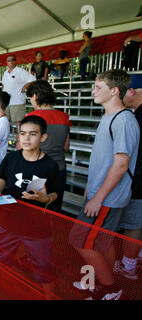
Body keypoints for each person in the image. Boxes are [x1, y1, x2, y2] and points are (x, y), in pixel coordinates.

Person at [69, 69, 140, 300]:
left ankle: (110, 289)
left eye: (98, 87)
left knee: (79, 240)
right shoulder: (108, 116)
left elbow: (121, 164)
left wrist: (99, 197)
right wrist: (92, 189)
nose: (93, 91)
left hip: (107, 198)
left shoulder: (124, 120)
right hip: (100, 194)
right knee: (100, 242)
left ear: (114, 91)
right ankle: (96, 281)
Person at [0, 115, 60, 296]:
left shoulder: (50, 165)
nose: (26, 138)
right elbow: (2, 179)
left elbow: (55, 193)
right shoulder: (12, 158)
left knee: (45, 268)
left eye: (33, 134)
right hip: (8, 222)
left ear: (43, 137)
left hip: (37, 228)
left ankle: (49, 296)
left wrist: (45, 199)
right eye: (23, 133)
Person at [25, 80, 72, 212]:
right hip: (59, 170)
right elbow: (66, 146)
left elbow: (22, 148)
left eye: (31, 99)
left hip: (37, 170)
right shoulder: (64, 117)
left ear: (35, 96)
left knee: (33, 211)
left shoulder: (31, 117)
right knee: (54, 210)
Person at [113, 73, 142, 280]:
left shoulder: (136, 117)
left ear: (131, 92)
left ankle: (129, 266)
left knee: (133, 224)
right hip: (136, 179)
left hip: (138, 182)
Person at [1, 54, 36, 133]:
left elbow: (33, 79)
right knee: (5, 121)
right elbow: (3, 84)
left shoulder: (20, 71)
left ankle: (20, 139)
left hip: (17, 101)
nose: (11, 62)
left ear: (16, 61)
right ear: (6, 62)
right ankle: (6, 140)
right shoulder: (5, 73)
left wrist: (25, 87)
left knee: (18, 122)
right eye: (9, 60)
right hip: (6, 102)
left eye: (13, 59)